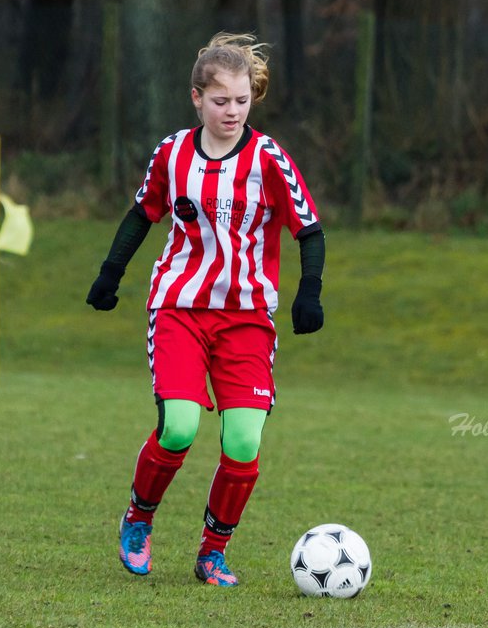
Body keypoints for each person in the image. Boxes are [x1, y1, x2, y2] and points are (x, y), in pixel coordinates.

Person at [86, 32, 325, 587]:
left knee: (243, 442)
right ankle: (138, 520)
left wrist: (308, 291)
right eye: (221, 101)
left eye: (242, 101)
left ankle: (212, 553)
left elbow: (309, 230)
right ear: (197, 98)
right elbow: (142, 214)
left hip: (247, 318)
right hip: (180, 307)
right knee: (180, 426)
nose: (233, 112)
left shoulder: (268, 160)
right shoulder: (171, 153)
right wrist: (109, 274)